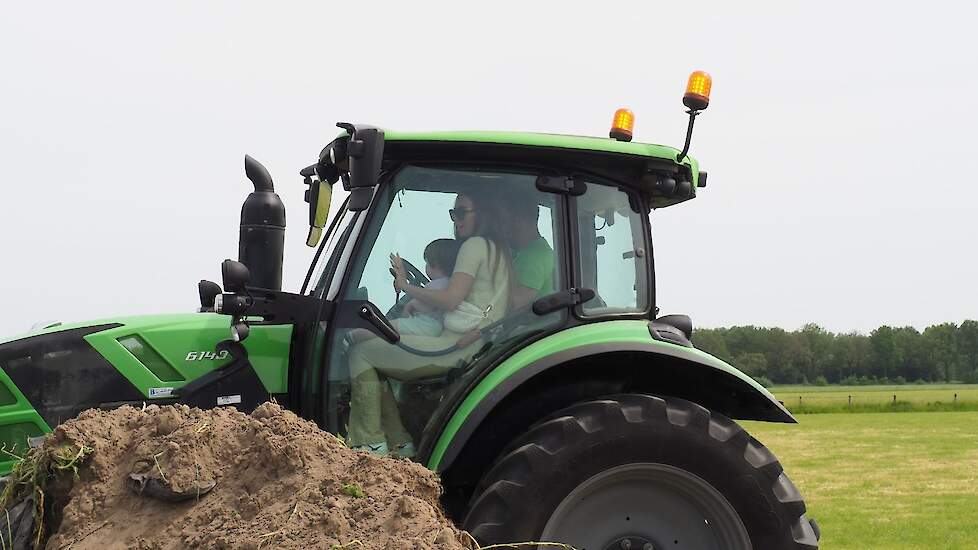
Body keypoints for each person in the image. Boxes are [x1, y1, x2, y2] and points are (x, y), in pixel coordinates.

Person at [346, 192, 513, 457]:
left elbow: (450, 298)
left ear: (482, 213)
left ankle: (369, 442)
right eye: (453, 213)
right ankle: (399, 442)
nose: (455, 220)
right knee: (376, 357)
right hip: (477, 346)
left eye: (461, 212)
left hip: (452, 347)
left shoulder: (474, 246)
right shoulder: (500, 251)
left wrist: (405, 286)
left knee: (360, 352)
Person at [347, 238, 460, 343]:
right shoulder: (447, 283)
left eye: (426, 263)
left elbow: (430, 305)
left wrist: (413, 304)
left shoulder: (439, 285)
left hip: (425, 325)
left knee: (380, 328)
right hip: (428, 325)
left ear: (435, 264)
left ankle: (349, 339)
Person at [506, 198, 555, 311]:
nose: (500, 228)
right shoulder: (524, 252)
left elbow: (513, 305)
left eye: (504, 222)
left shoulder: (535, 256)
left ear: (519, 221)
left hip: (532, 326)